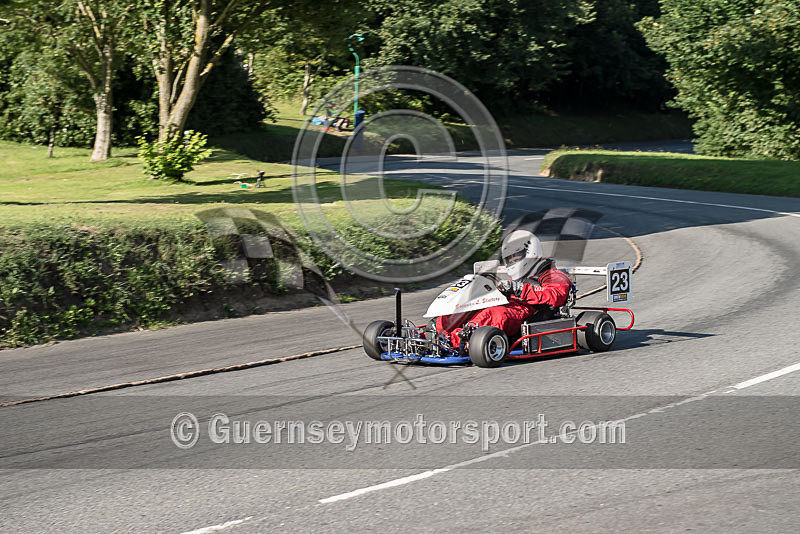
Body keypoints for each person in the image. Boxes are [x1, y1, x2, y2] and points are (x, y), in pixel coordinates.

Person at [436, 229, 572, 349]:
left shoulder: (552, 274)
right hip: (508, 304)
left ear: (530, 252)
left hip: (528, 312)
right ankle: (436, 333)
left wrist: (519, 289)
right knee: (466, 306)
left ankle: (454, 341)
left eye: (516, 257)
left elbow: (555, 296)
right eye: (509, 259)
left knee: (493, 314)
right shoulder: (521, 276)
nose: (512, 262)